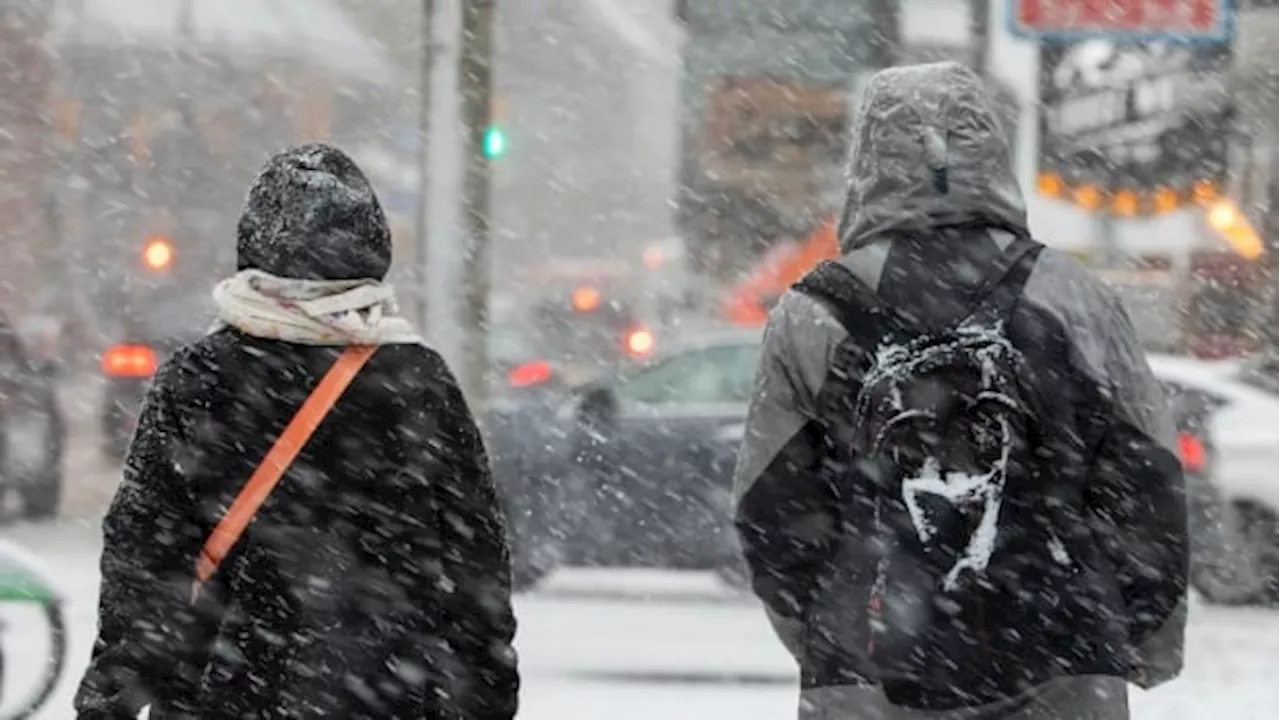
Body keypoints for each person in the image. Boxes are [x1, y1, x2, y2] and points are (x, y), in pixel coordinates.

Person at [733, 62, 1186, 720]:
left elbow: (770, 509)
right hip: (1062, 662)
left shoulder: (811, 312)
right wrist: (1134, 633)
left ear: (867, 159)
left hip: (867, 671)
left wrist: (830, 634)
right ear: (992, 152)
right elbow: (1146, 484)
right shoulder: (1075, 297)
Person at [75, 144, 519, 720]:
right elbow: (476, 563)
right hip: (392, 693)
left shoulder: (200, 377)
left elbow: (144, 553)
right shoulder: (417, 381)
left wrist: (112, 694)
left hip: (226, 693)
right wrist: (485, 694)